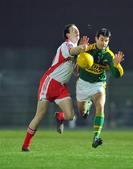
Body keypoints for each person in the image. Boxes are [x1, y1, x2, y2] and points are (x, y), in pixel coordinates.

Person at [21, 24, 89, 152]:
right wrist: (83, 48)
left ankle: (59, 117)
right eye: (74, 30)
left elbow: (76, 72)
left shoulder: (77, 52)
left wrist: (84, 61)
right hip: (50, 81)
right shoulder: (66, 45)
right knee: (40, 114)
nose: (77, 32)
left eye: (78, 30)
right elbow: (72, 51)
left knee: (70, 116)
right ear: (68, 35)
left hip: (61, 87)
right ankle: (25, 145)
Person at [76, 28, 125, 148]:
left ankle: (96, 136)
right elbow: (76, 64)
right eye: (102, 39)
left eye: (106, 40)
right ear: (96, 38)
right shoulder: (87, 48)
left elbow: (116, 75)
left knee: (100, 106)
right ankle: (86, 107)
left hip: (98, 84)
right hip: (83, 83)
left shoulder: (109, 55)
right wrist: (80, 52)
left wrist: (116, 65)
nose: (104, 43)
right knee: (82, 113)